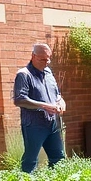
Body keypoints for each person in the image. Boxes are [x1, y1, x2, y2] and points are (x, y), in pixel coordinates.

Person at [13, 43, 66, 173]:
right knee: (31, 160)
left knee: (58, 158)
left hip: (52, 123)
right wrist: (44, 106)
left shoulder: (48, 72)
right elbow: (19, 100)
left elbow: (57, 94)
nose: (47, 62)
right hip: (34, 125)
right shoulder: (24, 75)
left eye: (49, 58)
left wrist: (61, 102)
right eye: (43, 59)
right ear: (33, 56)